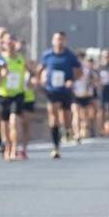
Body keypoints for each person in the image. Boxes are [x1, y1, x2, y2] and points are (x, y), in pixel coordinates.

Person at [39, 31, 83, 160]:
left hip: (65, 90)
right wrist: (40, 80)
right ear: (53, 41)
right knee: (53, 116)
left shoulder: (70, 55)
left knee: (66, 117)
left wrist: (72, 80)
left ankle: (68, 129)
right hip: (52, 90)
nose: (59, 42)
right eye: (57, 39)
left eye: (62, 39)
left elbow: (79, 71)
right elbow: (40, 69)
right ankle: (55, 146)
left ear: (65, 41)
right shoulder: (47, 55)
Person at [0, 30, 32, 161]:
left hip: (18, 94)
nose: (10, 44)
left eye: (12, 42)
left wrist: (31, 80)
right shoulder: (0, 59)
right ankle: (7, 146)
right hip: (4, 94)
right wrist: (1, 76)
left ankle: (14, 148)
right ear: (3, 44)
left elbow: (31, 72)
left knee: (14, 121)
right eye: (7, 42)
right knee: (5, 124)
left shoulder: (21, 59)